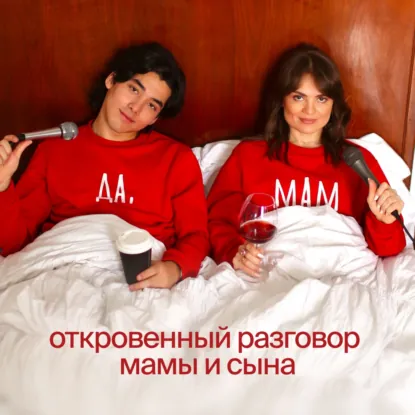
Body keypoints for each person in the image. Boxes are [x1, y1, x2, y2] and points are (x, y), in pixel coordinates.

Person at [0, 42, 209, 290]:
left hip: (141, 277)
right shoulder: (54, 149)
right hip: (64, 274)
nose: (135, 108)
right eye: (133, 89)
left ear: (155, 117)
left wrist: (174, 268)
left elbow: (196, 236)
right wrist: (2, 186)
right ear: (111, 80)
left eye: (151, 105)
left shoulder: (177, 159)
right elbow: (14, 243)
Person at [207, 43, 406, 279]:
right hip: (269, 276)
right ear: (282, 99)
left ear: (334, 104)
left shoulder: (356, 161)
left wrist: (384, 221)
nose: (310, 110)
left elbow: (390, 249)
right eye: (299, 97)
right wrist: (234, 251)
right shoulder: (248, 156)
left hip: (343, 278)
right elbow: (216, 221)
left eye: (321, 98)